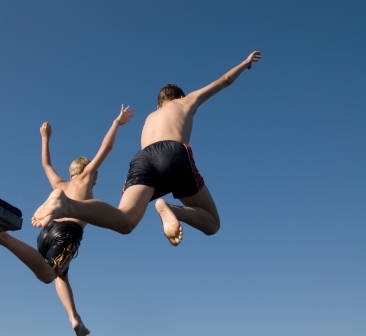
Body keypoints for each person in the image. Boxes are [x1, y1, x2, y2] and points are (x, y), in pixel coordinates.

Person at [32, 51, 262, 246]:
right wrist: (245, 63)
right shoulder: (185, 101)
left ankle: (66, 205)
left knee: (125, 221)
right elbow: (223, 80)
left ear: (159, 103)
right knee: (212, 223)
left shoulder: (150, 117)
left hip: (142, 159)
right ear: (178, 97)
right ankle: (172, 209)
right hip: (172, 152)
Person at [0, 105, 134, 336]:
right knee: (48, 275)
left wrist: (45, 138)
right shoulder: (85, 178)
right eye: (95, 176)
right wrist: (116, 123)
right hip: (68, 232)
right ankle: (1, 236)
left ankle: (74, 317)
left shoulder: (61, 184)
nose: (95, 180)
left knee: (61, 274)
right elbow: (106, 148)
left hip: (47, 233)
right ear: (87, 172)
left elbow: (46, 165)